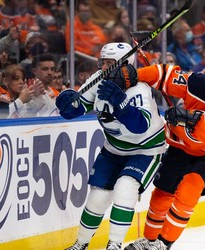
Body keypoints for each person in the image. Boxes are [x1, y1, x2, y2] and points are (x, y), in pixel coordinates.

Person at [125, 55, 205, 250]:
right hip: (182, 148)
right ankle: (149, 241)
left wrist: (192, 119)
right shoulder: (199, 84)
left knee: (189, 189)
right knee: (162, 193)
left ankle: (164, 243)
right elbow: (166, 75)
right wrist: (132, 75)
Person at [56, 42, 166, 250]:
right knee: (98, 196)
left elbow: (140, 126)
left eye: (110, 63)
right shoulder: (98, 81)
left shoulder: (139, 89)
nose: (104, 68)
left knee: (125, 188)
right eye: (103, 62)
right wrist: (66, 103)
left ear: (125, 65)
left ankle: (114, 244)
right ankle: (81, 244)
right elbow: (76, 109)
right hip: (114, 149)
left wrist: (121, 105)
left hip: (146, 150)